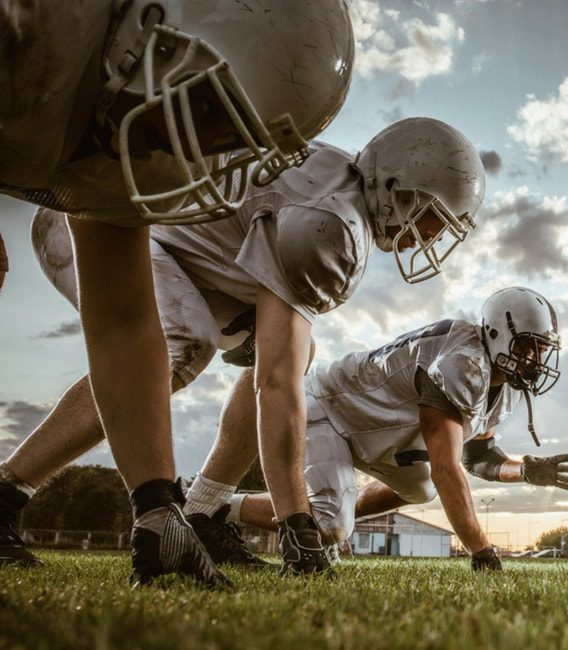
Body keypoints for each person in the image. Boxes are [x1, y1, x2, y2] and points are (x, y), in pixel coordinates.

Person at [0, 118, 486, 580]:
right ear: (393, 184)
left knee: (301, 351)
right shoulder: (331, 223)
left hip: (175, 249)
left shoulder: (335, 193)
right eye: (430, 219)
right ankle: (7, 494)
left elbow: (280, 369)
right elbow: (275, 383)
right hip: (95, 221)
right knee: (185, 342)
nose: (429, 237)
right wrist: (297, 522)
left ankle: (204, 509)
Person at [0, 0, 355, 586]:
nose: (213, 157)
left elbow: (121, 320)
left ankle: (185, 509)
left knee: (187, 340)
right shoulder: (39, 24)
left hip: (79, 177)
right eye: (216, 116)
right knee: (187, 338)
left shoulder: (121, 129)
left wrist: (156, 507)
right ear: (156, 31)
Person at [204, 288, 568, 571]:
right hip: (332, 409)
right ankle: (218, 509)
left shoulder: (503, 387)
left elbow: (477, 456)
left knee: (421, 486)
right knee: (334, 524)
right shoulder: (465, 361)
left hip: (376, 427)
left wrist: (525, 470)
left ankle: (324, 505)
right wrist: (481, 550)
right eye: (529, 347)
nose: (536, 361)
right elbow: (448, 467)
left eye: (543, 350)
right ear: (496, 333)